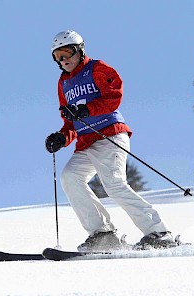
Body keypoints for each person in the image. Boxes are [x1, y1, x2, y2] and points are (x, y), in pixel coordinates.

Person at [45, 30, 176, 252]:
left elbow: (114, 96)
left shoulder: (96, 68)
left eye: (67, 52)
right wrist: (61, 137)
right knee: (70, 177)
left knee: (114, 183)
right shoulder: (63, 83)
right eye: (58, 56)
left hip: (110, 135)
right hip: (86, 143)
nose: (63, 59)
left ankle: (159, 233)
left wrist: (87, 109)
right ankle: (103, 234)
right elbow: (70, 122)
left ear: (80, 50)